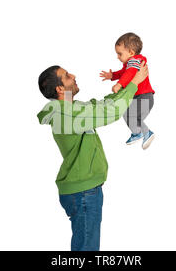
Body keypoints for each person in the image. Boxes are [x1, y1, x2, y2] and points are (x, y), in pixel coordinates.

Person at [37, 62, 148, 251]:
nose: (73, 75)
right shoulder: (66, 115)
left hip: (85, 189)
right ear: (59, 88)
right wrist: (134, 84)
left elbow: (104, 104)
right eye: (67, 75)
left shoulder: (72, 108)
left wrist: (123, 84)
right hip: (83, 192)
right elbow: (110, 112)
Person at [100, 32, 156, 149]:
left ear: (131, 52)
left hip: (144, 96)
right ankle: (139, 133)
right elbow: (123, 72)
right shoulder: (130, 63)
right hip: (139, 97)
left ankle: (144, 133)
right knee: (127, 112)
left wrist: (119, 84)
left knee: (132, 116)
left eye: (119, 54)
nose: (117, 57)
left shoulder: (136, 60)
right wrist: (112, 75)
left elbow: (129, 73)